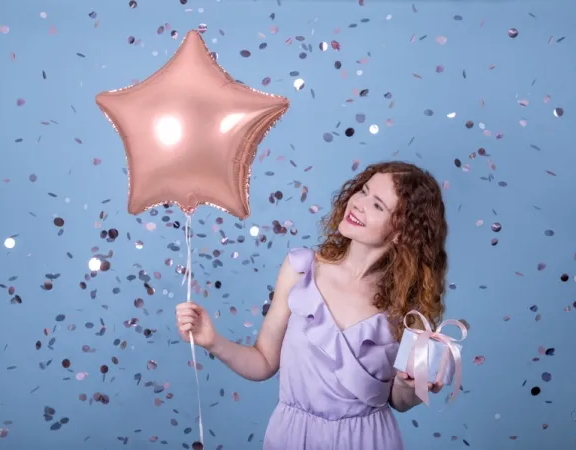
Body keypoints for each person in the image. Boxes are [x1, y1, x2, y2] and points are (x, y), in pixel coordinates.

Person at [176, 161, 449, 450]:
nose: (358, 203)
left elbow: (398, 401)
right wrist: (213, 341)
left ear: (401, 232)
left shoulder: (407, 306)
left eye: (378, 205)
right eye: (363, 191)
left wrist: (409, 386)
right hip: (294, 437)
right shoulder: (300, 269)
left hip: (367, 440)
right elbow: (263, 363)